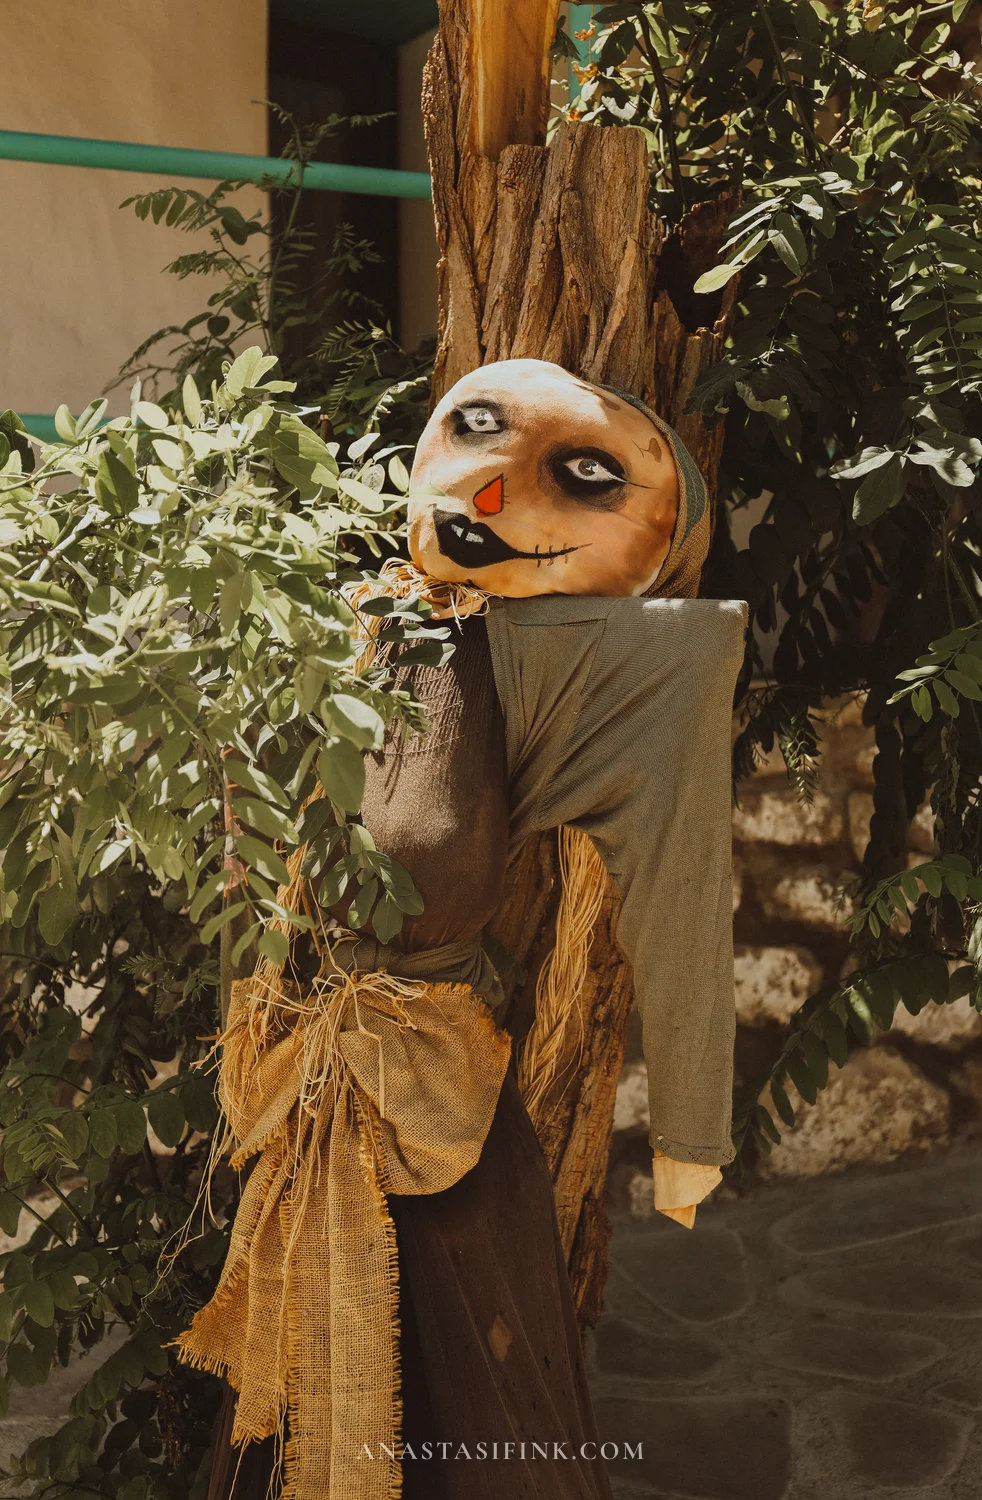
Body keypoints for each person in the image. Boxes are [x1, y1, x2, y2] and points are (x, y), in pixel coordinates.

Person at [186, 359, 745, 1500]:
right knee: (301, 1407)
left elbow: (682, 890)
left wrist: (692, 1129)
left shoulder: (585, 665)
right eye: (478, 431)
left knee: (484, 1435)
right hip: (308, 1105)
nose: (491, 495)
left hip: (443, 1129)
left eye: (580, 479)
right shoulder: (351, 625)